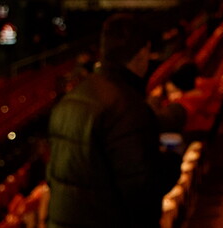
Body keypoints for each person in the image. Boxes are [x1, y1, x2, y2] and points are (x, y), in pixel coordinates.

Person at [46, 13, 168, 228]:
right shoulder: (127, 107)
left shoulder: (70, 100)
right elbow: (141, 191)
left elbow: (55, 176)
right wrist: (171, 164)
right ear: (142, 52)